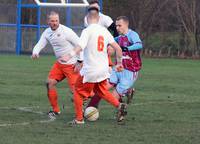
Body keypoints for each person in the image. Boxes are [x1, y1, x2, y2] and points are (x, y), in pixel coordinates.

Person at [58, 7, 127, 125]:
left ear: (87, 19)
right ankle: (119, 105)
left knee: (78, 92)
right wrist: (119, 64)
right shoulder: (105, 31)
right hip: (103, 70)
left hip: (91, 70)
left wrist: (69, 56)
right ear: (99, 18)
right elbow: (118, 49)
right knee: (101, 91)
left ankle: (79, 119)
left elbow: (80, 46)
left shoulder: (87, 31)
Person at [31, 11, 81, 119]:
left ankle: (84, 111)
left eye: (56, 20)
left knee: (76, 92)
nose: (55, 23)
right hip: (59, 64)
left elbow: (80, 45)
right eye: (52, 21)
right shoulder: (47, 32)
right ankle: (56, 110)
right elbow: (40, 43)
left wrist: (80, 61)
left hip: (72, 65)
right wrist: (35, 52)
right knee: (49, 83)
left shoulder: (66, 31)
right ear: (48, 21)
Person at [87, 16, 143, 107]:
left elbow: (139, 44)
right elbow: (108, 42)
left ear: (126, 25)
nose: (117, 28)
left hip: (130, 71)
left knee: (113, 97)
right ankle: (90, 109)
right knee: (101, 89)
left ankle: (122, 110)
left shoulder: (132, 35)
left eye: (119, 26)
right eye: (116, 26)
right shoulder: (119, 38)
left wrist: (126, 48)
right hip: (117, 69)